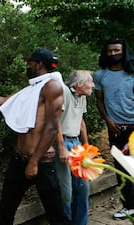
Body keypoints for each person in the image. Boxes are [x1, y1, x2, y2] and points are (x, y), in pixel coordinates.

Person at [0, 48, 70, 225]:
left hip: (41, 163)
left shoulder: (52, 87)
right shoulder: (32, 89)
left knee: (57, 216)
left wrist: (34, 162)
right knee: (6, 211)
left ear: (39, 64)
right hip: (19, 160)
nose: (28, 66)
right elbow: (4, 101)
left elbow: (51, 128)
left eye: (30, 63)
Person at [94, 36, 134, 220]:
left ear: (124, 51)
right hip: (115, 129)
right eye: (110, 51)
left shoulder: (132, 72)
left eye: (117, 50)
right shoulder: (100, 75)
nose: (113, 54)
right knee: (122, 167)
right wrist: (108, 120)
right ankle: (128, 206)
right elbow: (99, 101)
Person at [54, 70, 94, 225]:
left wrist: (86, 147)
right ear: (79, 84)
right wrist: (61, 146)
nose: (93, 85)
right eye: (90, 82)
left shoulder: (83, 96)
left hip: (76, 142)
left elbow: (81, 122)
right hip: (61, 142)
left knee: (83, 187)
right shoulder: (63, 92)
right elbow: (54, 120)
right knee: (66, 191)